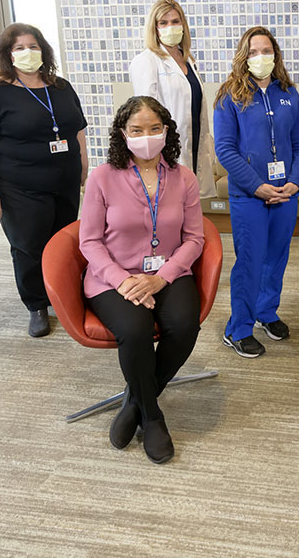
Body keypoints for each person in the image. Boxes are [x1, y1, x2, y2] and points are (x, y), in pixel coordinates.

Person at [79, 96, 204, 464]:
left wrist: (159, 279)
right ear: (123, 134)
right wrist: (122, 281)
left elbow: (195, 239)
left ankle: (134, 401)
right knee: (134, 330)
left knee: (184, 325)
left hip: (167, 272)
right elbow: (89, 241)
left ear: (167, 131)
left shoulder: (184, 178)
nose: (146, 137)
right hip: (112, 277)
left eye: (154, 129)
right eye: (136, 130)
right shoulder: (102, 177)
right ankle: (151, 416)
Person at [0, 24, 88, 338]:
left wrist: (83, 167)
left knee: (62, 242)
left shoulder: (60, 87)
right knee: (29, 246)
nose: (27, 52)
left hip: (65, 181)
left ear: (44, 50)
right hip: (19, 186)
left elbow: (77, 131)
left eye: (33, 46)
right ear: (7, 54)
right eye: (18, 47)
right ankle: (36, 305)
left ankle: (61, 295)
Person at [213, 26, 299, 358]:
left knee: (276, 258)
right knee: (251, 262)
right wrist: (257, 186)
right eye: (253, 51)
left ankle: (266, 312)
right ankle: (238, 328)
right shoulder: (230, 96)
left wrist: (295, 180)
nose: (260, 57)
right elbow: (225, 150)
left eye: (266, 50)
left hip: (286, 193)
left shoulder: (289, 94)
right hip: (248, 196)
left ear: (276, 55)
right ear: (243, 56)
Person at [129, 0, 217, 198]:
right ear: (155, 27)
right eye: (164, 23)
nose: (171, 27)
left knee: (191, 209)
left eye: (176, 21)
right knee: (171, 211)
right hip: (166, 153)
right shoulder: (147, 61)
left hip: (193, 147)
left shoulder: (188, 60)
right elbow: (145, 117)